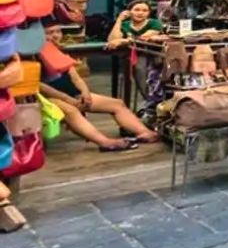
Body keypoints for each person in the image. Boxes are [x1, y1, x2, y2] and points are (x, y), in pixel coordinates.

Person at [39, 24, 158, 152]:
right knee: (70, 111)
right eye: (49, 33)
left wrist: (85, 93)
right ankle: (105, 142)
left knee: (117, 104)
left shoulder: (58, 51)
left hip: (72, 94)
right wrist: (67, 99)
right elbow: (39, 85)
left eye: (58, 32)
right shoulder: (33, 55)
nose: (55, 36)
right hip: (47, 98)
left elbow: (75, 77)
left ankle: (145, 133)